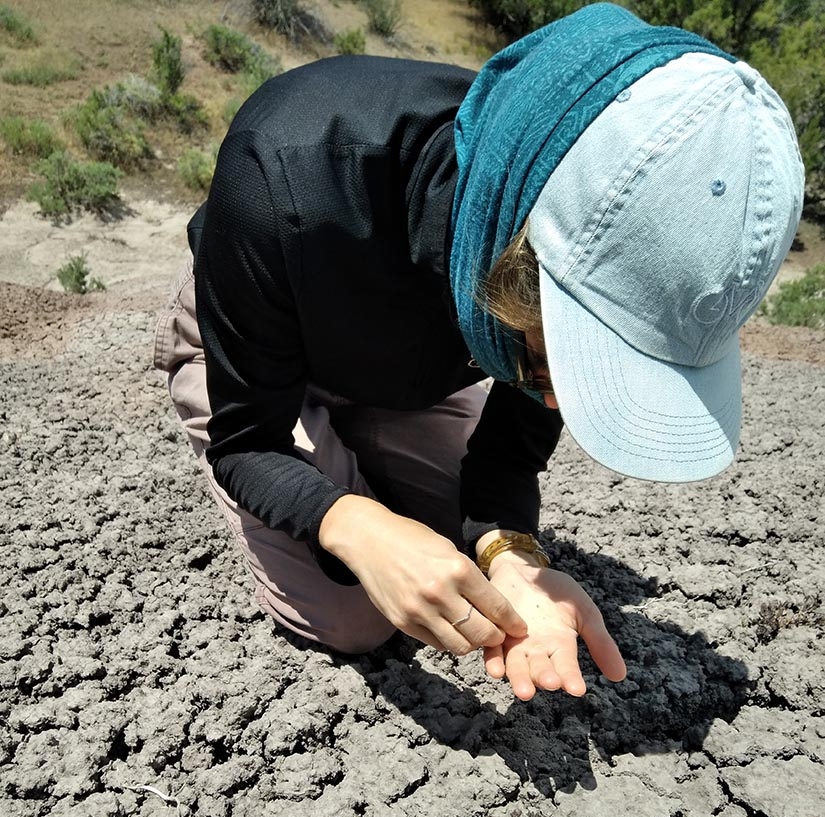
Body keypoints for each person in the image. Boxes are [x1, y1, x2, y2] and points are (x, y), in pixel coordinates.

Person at [153, 3, 803, 701]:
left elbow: (508, 457)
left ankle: (361, 457)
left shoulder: (542, 261)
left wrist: (511, 554)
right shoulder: (284, 171)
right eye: (560, 361)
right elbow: (248, 442)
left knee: (456, 552)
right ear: (513, 257)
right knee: (355, 618)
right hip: (260, 356)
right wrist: (354, 524)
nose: (556, 399)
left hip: (405, 373)